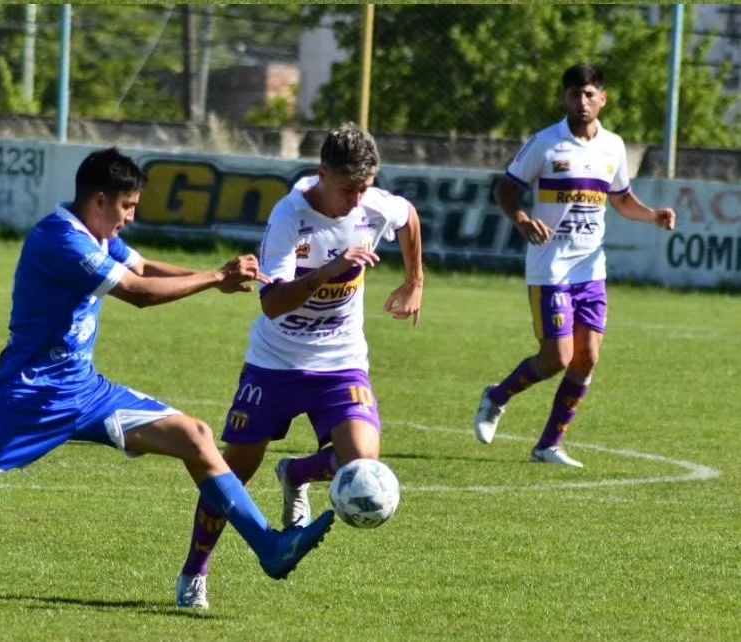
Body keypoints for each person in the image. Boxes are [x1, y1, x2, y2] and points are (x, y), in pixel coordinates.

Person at [0, 147, 335, 600]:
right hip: (30, 399)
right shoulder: (61, 239)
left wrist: (218, 275)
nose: (130, 217)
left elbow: (143, 267)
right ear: (99, 200)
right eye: (126, 206)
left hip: (85, 390)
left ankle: (269, 547)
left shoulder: (98, 233)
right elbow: (138, 294)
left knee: (195, 436)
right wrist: (215, 277)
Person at [175, 122, 424, 609]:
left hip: (341, 362)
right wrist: (329, 272)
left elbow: (409, 216)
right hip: (275, 363)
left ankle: (295, 474)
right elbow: (271, 304)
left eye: (365, 188)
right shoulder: (290, 216)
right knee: (233, 471)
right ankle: (194, 572)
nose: (357, 201)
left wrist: (414, 281)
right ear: (323, 173)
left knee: (362, 460)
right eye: (349, 188)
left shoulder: (374, 206)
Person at [473, 63, 676, 468]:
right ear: (563, 97)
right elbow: (506, 189)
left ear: (603, 99)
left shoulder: (614, 147)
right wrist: (521, 220)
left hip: (590, 268)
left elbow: (620, 198)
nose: (581, 102)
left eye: (589, 94)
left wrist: (653, 216)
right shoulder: (546, 145)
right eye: (574, 94)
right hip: (550, 269)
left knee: (587, 358)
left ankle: (548, 445)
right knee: (556, 358)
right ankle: (497, 396)